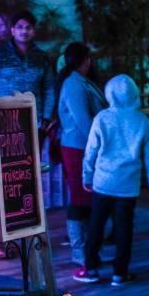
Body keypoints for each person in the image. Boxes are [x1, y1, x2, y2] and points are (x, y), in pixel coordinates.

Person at [73, 75, 149, 285]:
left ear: (109, 93)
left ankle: (91, 269)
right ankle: (120, 273)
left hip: (103, 183)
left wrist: (87, 175)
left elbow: (91, 151)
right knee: (124, 229)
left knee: (96, 226)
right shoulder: (143, 121)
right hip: (128, 186)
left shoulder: (102, 118)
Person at [57, 42, 107, 265]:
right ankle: (80, 252)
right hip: (79, 147)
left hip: (84, 146)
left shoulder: (80, 82)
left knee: (88, 198)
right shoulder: (74, 85)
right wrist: (99, 143)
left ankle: (90, 249)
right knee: (80, 197)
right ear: (85, 60)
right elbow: (83, 120)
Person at [0, 10, 56, 128]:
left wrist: (46, 118)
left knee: (35, 147)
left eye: (28, 27)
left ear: (34, 31)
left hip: (35, 123)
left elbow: (49, 89)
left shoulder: (42, 57)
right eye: (20, 27)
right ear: (13, 30)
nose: (24, 31)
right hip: (6, 124)